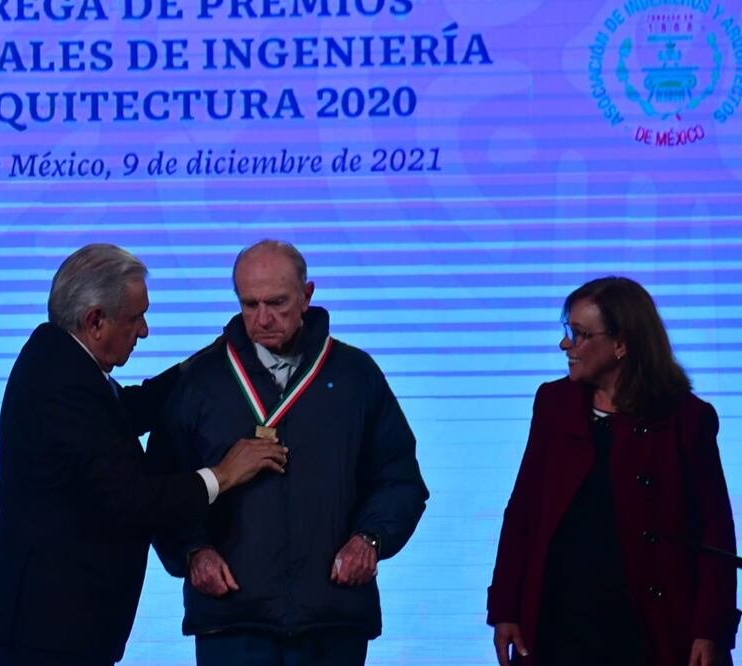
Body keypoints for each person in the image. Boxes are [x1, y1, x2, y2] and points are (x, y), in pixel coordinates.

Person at [0, 243, 289, 666]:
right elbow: (132, 500)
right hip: (50, 627)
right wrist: (223, 474)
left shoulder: (58, 356)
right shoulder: (63, 386)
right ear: (95, 321)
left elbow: (125, 410)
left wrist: (208, 362)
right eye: (135, 318)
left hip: (53, 620)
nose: (144, 331)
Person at [148, 240, 429, 665]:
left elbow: (400, 479)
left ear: (307, 295)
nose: (262, 319)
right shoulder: (199, 380)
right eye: (250, 304)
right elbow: (160, 486)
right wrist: (191, 552)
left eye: (277, 303)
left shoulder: (356, 375)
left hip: (332, 617)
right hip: (231, 617)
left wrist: (370, 539)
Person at [487, 276, 738, 666]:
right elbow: (523, 512)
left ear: (622, 344)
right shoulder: (554, 404)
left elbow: (715, 532)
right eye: (568, 330)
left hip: (645, 624)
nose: (566, 344)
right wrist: (505, 608)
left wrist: (711, 628)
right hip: (559, 623)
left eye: (580, 334)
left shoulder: (686, 419)